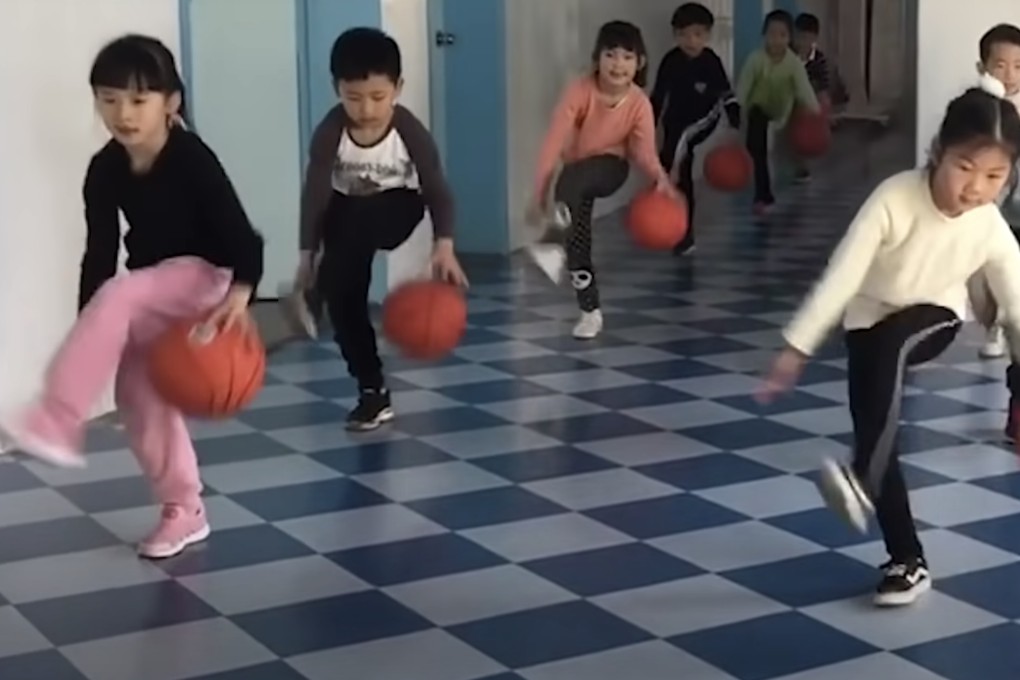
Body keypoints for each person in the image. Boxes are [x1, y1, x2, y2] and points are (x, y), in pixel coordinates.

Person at [0, 35, 265, 559]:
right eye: (108, 98)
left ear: (171, 103)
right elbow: (98, 255)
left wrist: (241, 292)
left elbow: (242, 237)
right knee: (139, 399)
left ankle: (57, 415)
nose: (122, 113)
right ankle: (184, 509)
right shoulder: (104, 170)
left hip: (206, 280)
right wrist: (90, 323)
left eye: (139, 100)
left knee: (124, 292)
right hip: (150, 291)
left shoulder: (192, 158)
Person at [758, 79, 1020, 607]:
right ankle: (907, 560)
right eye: (965, 168)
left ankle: (859, 475)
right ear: (937, 153)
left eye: (995, 175)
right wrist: (797, 346)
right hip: (867, 323)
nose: (975, 187)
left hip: (935, 316)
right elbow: (843, 275)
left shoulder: (990, 227)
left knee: (895, 351)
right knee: (879, 434)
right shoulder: (894, 197)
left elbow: (1017, 303)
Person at [295, 28, 467, 432]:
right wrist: (306, 256)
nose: (366, 109)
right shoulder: (330, 133)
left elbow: (438, 188)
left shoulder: (409, 132)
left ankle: (320, 288)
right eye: (353, 98)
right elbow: (315, 196)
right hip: (346, 215)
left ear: (397, 89)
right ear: (336, 88)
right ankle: (372, 391)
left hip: (398, 208)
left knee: (356, 228)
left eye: (377, 97)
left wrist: (444, 245)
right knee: (344, 299)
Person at [527, 20, 675, 339]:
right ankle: (590, 312)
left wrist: (660, 179)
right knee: (578, 241)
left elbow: (645, 152)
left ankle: (551, 240)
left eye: (627, 56)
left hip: (611, 168)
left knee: (576, 180)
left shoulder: (638, 104)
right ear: (597, 58)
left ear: (640, 62)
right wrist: (538, 192)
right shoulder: (578, 92)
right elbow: (553, 142)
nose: (618, 64)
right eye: (610, 54)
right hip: (574, 179)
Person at [650, 2, 740, 256]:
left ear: (708, 36)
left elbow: (726, 94)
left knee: (680, 152)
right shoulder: (670, 61)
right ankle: (672, 226)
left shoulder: (711, 61)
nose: (691, 40)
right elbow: (658, 97)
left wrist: (735, 120)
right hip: (675, 121)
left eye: (698, 34)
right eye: (684, 34)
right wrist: (648, 126)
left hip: (704, 117)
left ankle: (685, 233)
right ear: (675, 35)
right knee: (672, 162)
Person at [736, 9, 819, 215]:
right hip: (757, 110)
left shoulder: (793, 64)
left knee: (779, 145)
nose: (776, 40)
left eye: (782, 35)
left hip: (782, 111)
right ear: (764, 35)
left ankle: (798, 168)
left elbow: (804, 89)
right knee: (758, 150)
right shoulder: (756, 59)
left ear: (789, 38)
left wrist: (816, 114)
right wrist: (736, 112)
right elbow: (743, 87)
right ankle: (763, 195)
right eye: (772, 34)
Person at [971, 23, 1020, 360]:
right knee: (988, 271)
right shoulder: (978, 107)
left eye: (1019, 66)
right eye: (1000, 65)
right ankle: (994, 326)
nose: (1010, 74)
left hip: (1015, 206)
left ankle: (1008, 327)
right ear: (983, 68)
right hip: (989, 207)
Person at [792, 12, 831, 183]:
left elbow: (823, 84)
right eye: (800, 37)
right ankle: (798, 164)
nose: (803, 42)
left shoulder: (819, 58)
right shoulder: (788, 55)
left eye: (807, 37)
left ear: (814, 38)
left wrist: (824, 106)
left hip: (809, 98)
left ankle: (804, 160)